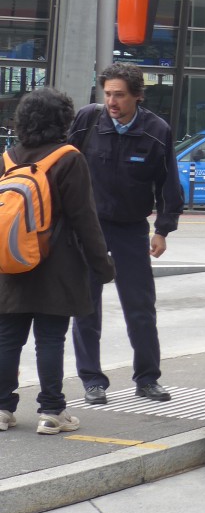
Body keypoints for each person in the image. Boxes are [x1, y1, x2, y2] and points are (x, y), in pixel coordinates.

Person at [67, 63, 184, 404]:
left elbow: (169, 184)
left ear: (137, 96)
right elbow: (62, 166)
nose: (112, 102)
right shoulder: (88, 120)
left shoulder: (156, 130)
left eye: (119, 95)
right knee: (86, 306)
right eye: (107, 94)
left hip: (131, 229)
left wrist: (163, 229)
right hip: (88, 228)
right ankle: (93, 381)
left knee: (140, 307)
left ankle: (147, 379)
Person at [0, 88, 114, 435]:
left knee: (7, 339)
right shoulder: (69, 158)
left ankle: (3, 409)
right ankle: (51, 411)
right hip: (57, 266)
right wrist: (103, 266)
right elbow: (84, 219)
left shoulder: (8, 157)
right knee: (50, 339)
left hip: (11, 264)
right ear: (63, 120)